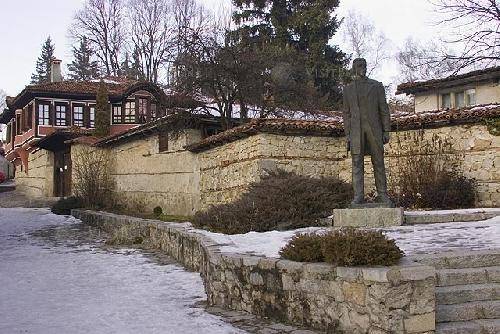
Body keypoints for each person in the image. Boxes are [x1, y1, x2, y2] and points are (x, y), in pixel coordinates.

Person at [342, 58, 393, 207]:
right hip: (356, 131)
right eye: (358, 66)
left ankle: (382, 195)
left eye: (363, 65)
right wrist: (348, 134)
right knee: (357, 164)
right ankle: (358, 196)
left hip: (374, 130)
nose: (361, 68)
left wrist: (386, 130)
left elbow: (384, 109)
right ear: (353, 68)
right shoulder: (348, 89)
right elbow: (346, 113)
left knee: (378, 162)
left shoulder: (376, 86)